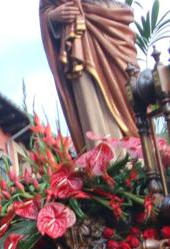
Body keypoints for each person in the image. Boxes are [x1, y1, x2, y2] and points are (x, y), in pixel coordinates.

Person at [39, 0, 138, 151]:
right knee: (90, 98)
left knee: (128, 93)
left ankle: (136, 158)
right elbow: (46, 7)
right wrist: (52, 17)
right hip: (80, 39)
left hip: (110, 22)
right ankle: (107, 165)